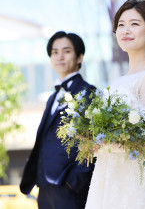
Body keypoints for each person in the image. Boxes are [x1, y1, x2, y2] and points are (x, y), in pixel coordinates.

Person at [85, 0, 145, 209]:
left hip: (136, 181)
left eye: (135, 24)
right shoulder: (118, 80)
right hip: (108, 178)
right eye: (121, 25)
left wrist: (107, 143)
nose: (125, 30)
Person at [20, 31, 95, 209]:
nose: (59, 56)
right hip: (45, 188)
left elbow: (94, 141)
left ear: (79, 57)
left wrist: (75, 181)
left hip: (71, 189)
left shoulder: (89, 93)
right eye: (54, 52)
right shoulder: (52, 97)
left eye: (66, 51)